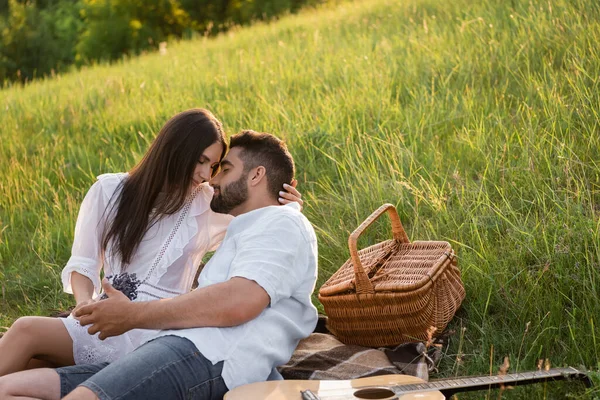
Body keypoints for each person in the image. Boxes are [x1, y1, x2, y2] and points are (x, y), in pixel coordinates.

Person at [0, 130, 318, 400]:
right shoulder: (244, 224)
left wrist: (287, 209)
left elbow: (240, 302)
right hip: (163, 342)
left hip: (203, 352)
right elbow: (83, 263)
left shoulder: (276, 222)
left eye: (223, 168)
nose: (212, 178)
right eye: (206, 164)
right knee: (7, 388)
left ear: (257, 174)